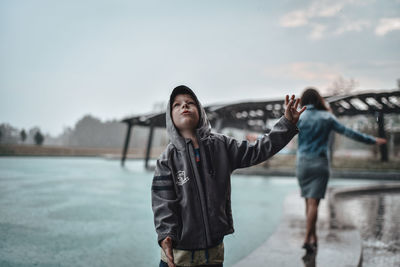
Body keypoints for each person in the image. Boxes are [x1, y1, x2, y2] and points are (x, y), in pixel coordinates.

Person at [152, 85, 305, 267]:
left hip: (213, 254)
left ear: (200, 111)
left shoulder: (221, 145)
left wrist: (286, 124)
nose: (184, 106)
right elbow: (163, 202)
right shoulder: (166, 160)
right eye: (176, 105)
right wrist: (166, 235)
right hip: (178, 256)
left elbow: (258, 150)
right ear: (170, 118)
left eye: (190, 103)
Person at [296, 87, 387, 253]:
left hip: (302, 164)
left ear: (303, 100)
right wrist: (372, 140)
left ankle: (313, 237)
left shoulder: (299, 116)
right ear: (318, 100)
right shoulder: (327, 117)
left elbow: (279, 132)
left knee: (307, 202)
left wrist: (258, 139)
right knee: (313, 203)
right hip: (320, 163)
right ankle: (307, 239)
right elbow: (349, 133)